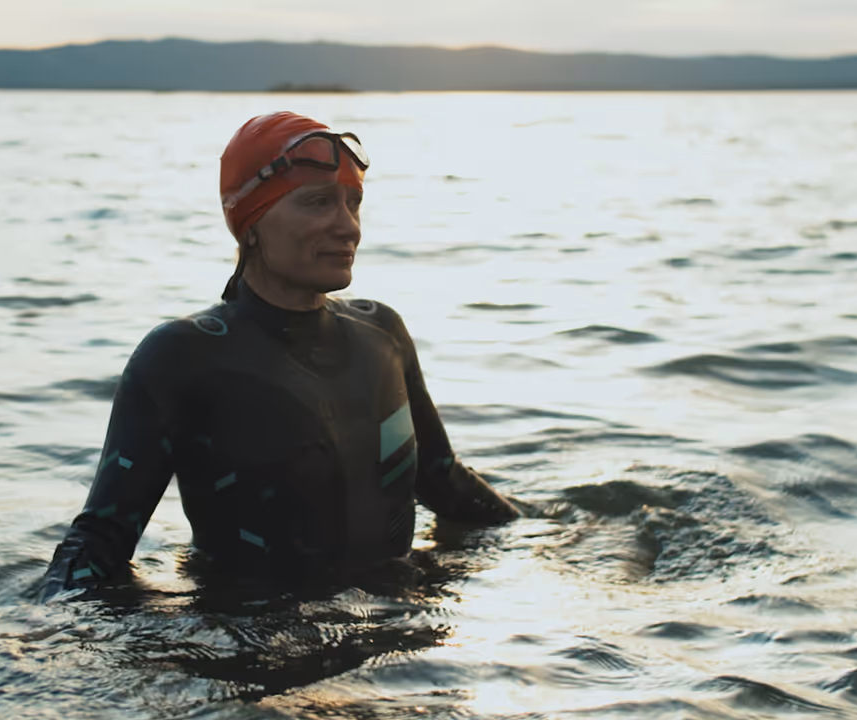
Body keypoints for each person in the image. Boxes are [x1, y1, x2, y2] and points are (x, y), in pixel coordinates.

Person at [39, 111, 520, 602]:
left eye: (353, 203)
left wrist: (558, 541)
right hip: (254, 647)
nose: (347, 227)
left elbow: (444, 483)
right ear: (251, 222)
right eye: (317, 203)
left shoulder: (382, 333)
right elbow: (101, 542)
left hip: (394, 639)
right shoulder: (184, 356)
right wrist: (24, 646)